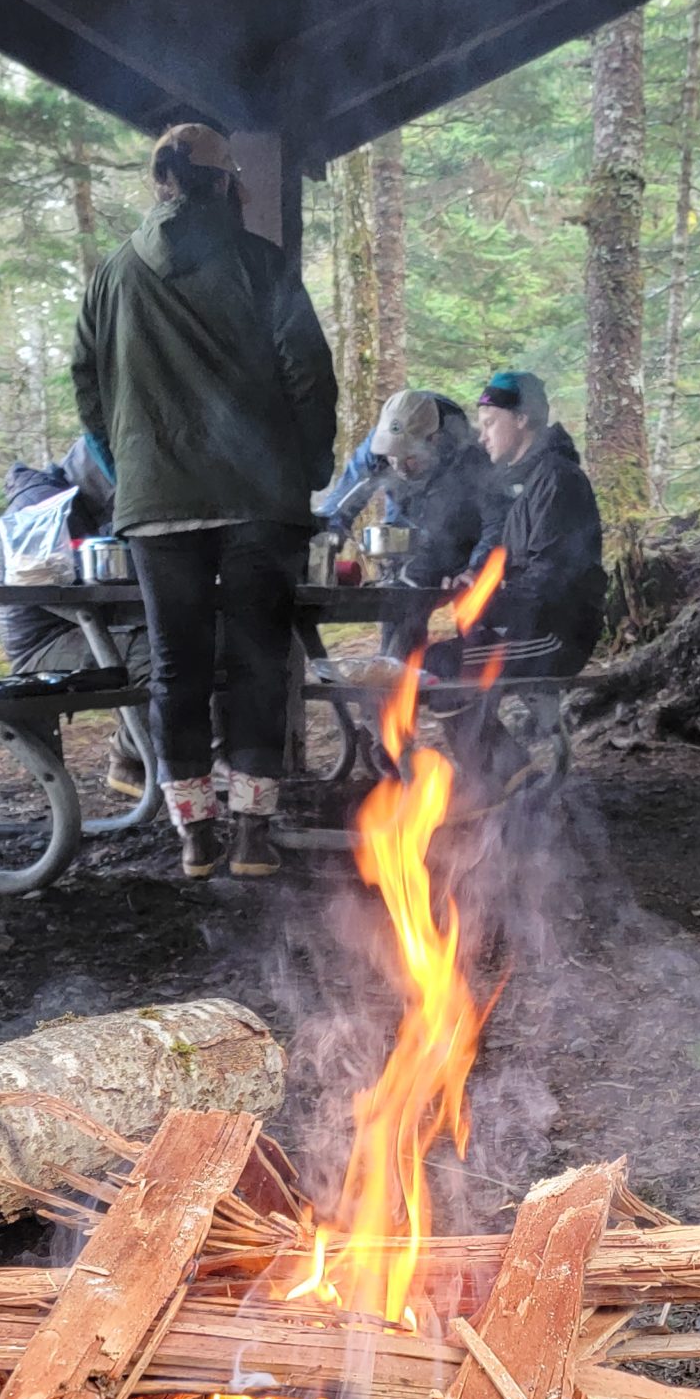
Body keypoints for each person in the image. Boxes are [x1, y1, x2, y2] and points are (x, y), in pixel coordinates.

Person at [71, 122, 336, 878]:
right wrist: (309, 465)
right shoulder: (261, 263)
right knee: (258, 663)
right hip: (259, 499)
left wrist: (130, 467)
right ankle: (252, 833)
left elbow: (88, 386)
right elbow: (307, 373)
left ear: (160, 180)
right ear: (226, 183)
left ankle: (194, 835)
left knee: (176, 669)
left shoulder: (113, 275)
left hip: (158, 506)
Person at [430, 369, 606, 786]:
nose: (482, 437)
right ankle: (502, 776)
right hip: (530, 626)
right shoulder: (533, 481)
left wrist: (488, 601)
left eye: (490, 423)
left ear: (523, 419)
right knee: (437, 662)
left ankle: (507, 780)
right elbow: (514, 567)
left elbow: (551, 580)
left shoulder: (558, 481)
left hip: (558, 634)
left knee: (440, 666)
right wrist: (475, 582)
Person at [0, 436, 150, 798]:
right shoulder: (38, 507)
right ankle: (138, 752)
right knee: (167, 657)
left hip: (93, 629)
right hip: (47, 644)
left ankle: (147, 756)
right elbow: (46, 589)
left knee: (206, 640)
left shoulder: (85, 508)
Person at [320, 388, 491, 653]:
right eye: (392, 457)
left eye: (410, 458)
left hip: (465, 543)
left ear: (434, 440)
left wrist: (476, 566)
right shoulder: (379, 446)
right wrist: (324, 542)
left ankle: (469, 672)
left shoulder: (470, 454)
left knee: (474, 630)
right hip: (408, 541)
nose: (398, 467)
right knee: (400, 605)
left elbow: (496, 520)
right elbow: (340, 504)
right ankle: (396, 669)